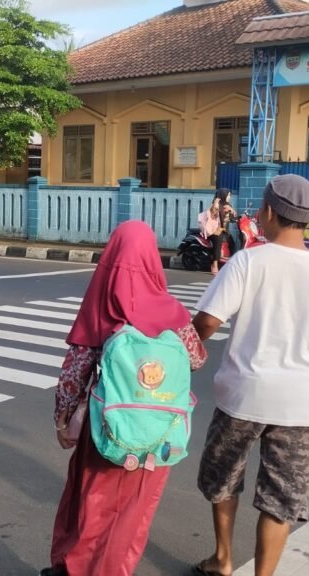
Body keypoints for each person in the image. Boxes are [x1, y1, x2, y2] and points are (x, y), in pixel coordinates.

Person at [190, 174, 309, 576]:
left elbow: (207, 322)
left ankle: (223, 559)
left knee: (224, 478)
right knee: (281, 497)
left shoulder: (248, 262)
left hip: (242, 397)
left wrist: (187, 353)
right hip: (304, 405)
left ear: (267, 212)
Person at [43, 220, 208, 576]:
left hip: (106, 430)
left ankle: (70, 568)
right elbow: (195, 360)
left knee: (89, 504)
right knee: (133, 513)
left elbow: (73, 374)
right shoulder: (174, 315)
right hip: (156, 435)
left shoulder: (99, 308)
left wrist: (63, 420)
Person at [199, 189, 236, 276]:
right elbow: (213, 215)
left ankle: (230, 264)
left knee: (232, 243)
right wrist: (216, 204)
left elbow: (232, 216)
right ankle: (214, 264)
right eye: (228, 195)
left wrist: (231, 211)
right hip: (214, 230)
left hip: (223, 230)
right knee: (218, 241)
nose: (229, 197)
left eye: (230, 195)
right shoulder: (216, 205)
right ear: (223, 195)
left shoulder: (228, 205)